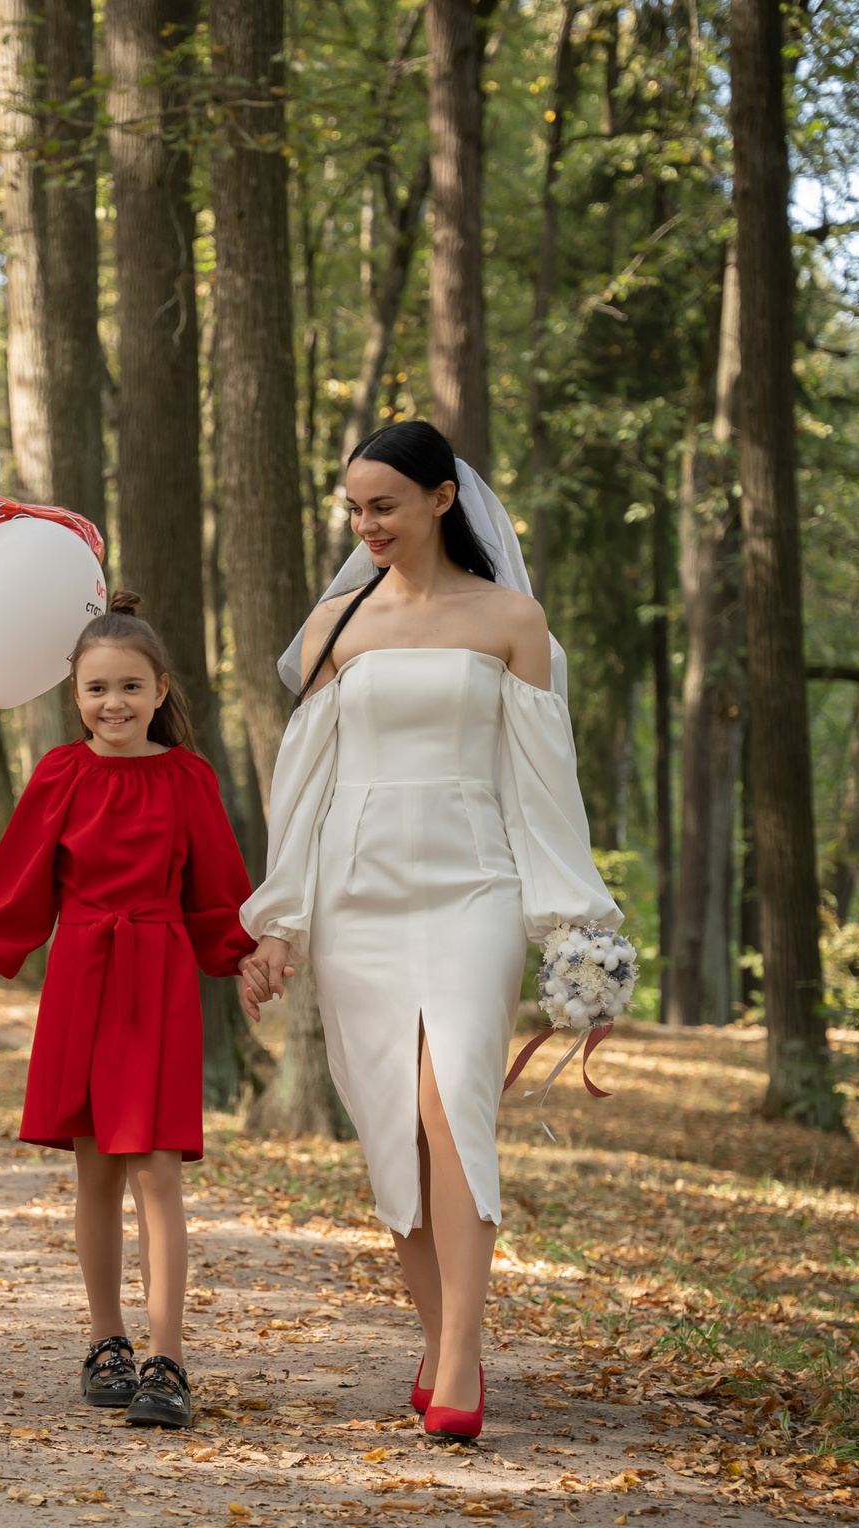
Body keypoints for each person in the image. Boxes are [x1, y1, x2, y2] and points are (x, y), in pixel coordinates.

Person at [235, 420, 621, 1441]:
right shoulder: (332, 632)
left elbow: (544, 788)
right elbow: (302, 792)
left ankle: (457, 1359)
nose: (365, 525)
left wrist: (575, 925)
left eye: (383, 506)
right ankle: (444, 1335)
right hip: (358, 897)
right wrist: (277, 921)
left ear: (442, 500)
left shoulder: (510, 619)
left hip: (472, 889)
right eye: (353, 509)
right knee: (394, 1130)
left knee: (451, 1103)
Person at [0, 593, 255, 1429]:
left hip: (158, 979)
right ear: (75, 696)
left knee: (157, 1172)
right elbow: (20, 900)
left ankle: (167, 1358)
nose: (115, 704)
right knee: (95, 1169)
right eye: (98, 689)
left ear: (162, 689)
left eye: (131, 687)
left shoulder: (189, 779)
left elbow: (219, 901)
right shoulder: (60, 775)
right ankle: (108, 1342)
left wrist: (248, 961)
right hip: (82, 981)